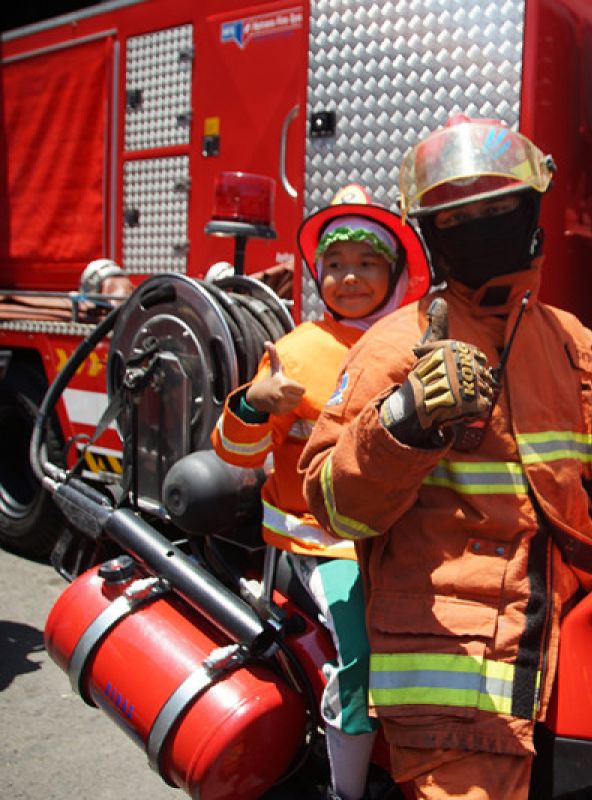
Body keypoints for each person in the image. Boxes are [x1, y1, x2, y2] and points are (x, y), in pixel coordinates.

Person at [298, 117, 592, 799]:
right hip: (455, 688)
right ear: (433, 236)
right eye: (460, 218)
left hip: (561, 647)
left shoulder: (566, 342)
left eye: (500, 209)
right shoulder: (395, 347)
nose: (484, 227)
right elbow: (333, 504)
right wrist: (407, 419)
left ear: (532, 213)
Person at [211, 186, 430, 800]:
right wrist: (255, 405)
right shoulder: (296, 351)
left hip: (400, 536)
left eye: (366, 263)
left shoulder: (416, 343)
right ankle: (348, 789)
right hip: (324, 549)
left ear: (395, 274)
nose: (348, 277)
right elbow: (236, 454)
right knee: (360, 653)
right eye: (334, 265)